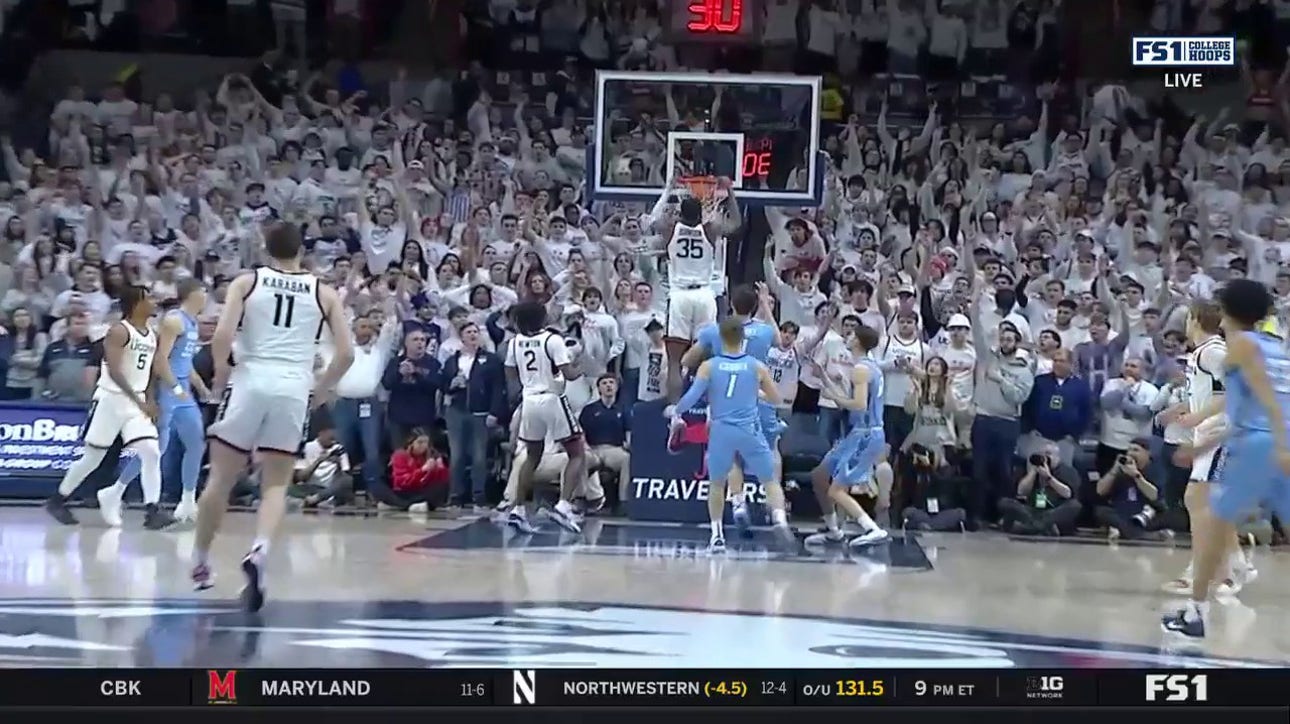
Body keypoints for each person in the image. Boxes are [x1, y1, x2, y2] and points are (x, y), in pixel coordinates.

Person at [192, 223, 354, 612]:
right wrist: (323, 388)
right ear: (303, 251)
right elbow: (346, 354)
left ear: (265, 249)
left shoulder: (247, 283)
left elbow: (222, 335)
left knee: (221, 477)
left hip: (250, 378)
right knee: (276, 484)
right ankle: (260, 551)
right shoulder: (324, 291)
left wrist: (220, 372)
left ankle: (200, 560)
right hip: (293, 385)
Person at [1164, 280, 1290, 639]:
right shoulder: (1276, 348)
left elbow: (1246, 408)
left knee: (1213, 527)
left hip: (1258, 444)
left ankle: (1195, 613)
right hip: (1282, 443)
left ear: (1226, 312)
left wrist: (1199, 448)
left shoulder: (1238, 349)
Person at [44, 284, 175, 530]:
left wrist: (149, 398)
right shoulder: (118, 331)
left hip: (135, 400)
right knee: (92, 458)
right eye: (150, 299)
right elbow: (114, 372)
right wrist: (139, 401)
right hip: (111, 400)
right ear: (136, 304)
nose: (155, 302)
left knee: (151, 451)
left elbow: (148, 372)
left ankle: (153, 510)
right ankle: (57, 500)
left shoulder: (151, 334)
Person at [681, 282, 792, 538]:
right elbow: (781, 342)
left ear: (731, 303)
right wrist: (765, 302)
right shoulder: (764, 331)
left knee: (730, 458)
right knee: (769, 455)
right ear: (755, 306)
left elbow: (687, 360)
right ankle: (776, 512)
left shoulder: (715, 330)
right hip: (759, 400)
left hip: (725, 402)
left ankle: (738, 502)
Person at [1160, 300, 1255, 597]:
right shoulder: (1202, 352)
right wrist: (1180, 409)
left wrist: (1199, 416)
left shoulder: (1214, 350)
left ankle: (1205, 572)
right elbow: (1210, 393)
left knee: (1197, 500)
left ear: (1195, 319)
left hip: (1220, 430)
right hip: (1208, 430)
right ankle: (1236, 566)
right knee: (1209, 504)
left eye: (1188, 317)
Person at [667, 316, 784, 551]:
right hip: (749, 429)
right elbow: (776, 399)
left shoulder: (709, 366)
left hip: (721, 430)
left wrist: (675, 410)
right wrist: (756, 394)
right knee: (769, 479)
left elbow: (691, 397)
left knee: (717, 484)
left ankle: (717, 535)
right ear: (742, 338)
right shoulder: (756, 366)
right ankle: (780, 520)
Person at [100, 278, 211, 524]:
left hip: (182, 390)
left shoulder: (193, 323)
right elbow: (160, 359)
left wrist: (200, 386)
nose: (207, 295)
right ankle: (115, 491)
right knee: (155, 449)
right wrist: (173, 388)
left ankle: (187, 502)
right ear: (192, 293)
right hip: (168, 391)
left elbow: (185, 360)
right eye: (203, 291)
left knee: (196, 443)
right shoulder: (174, 320)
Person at [500, 300, 585, 534]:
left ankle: (517, 509)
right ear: (543, 318)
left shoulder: (514, 342)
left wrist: (527, 381)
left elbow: (509, 371)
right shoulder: (552, 339)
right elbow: (569, 374)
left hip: (529, 400)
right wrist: (579, 365)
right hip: (551, 397)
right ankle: (564, 505)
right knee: (577, 452)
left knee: (532, 456)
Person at [804, 325, 891, 548]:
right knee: (819, 476)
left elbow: (859, 405)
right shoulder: (866, 367)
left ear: (859, 341)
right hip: (857, 433)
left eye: (852, 334)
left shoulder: (861, 369)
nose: (848, 336)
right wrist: (824, 377)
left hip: (866, 434)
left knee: (836, 490)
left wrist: (835, 397)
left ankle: (872, 529)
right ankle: (834, 531)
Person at [656, 178, 726, 399]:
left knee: (675, 361)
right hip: (705, 294)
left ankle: (674, 409)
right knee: (706, 357)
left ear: (680, 214)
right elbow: (735, 225)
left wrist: (668, 191)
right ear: (700, 214)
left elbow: (654, 219)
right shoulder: (710, 230)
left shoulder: (670, 230)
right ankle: (705, 407)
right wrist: (728, 194)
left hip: (680, 295)